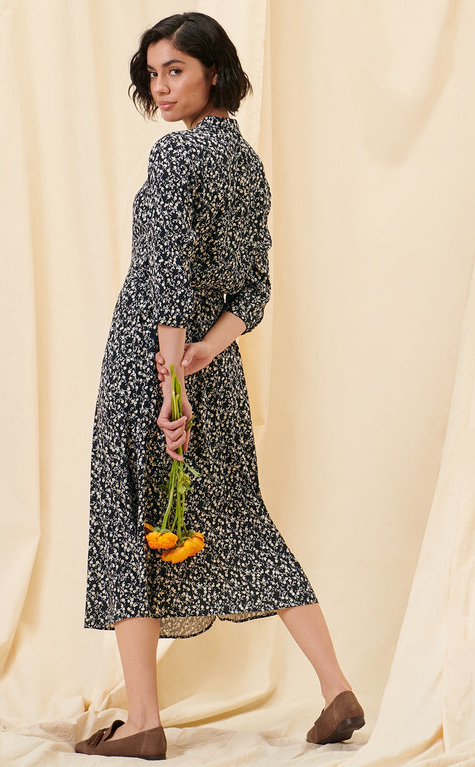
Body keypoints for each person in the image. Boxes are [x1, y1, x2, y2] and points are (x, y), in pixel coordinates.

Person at [76, 12, 364, 760]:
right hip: (215, 368)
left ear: (212, 69)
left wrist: (173, 384)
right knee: (240, 519)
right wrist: (209, 350)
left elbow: (168, 280)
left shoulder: (177, 160)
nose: (159, 86)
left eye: (175, 69)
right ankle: (336, 687)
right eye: (152, 72)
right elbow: (255, 286)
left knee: (125, 525)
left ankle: (144, 721)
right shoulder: (245, 161)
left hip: (153, 367)